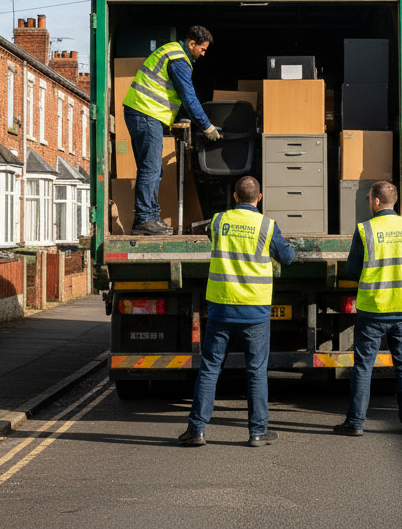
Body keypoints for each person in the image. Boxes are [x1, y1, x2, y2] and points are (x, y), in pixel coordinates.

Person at [179, 176, 295, 448]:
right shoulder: (267, 226)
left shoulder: (219, 221)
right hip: (254, 311)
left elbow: (210, 235)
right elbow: (287, 257)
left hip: (221, 307)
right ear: (260, 198)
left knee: (209, 369)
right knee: (256, 372)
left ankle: (196, 430)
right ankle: (257, 432)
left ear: (234, 196)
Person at [334, 181, 402, 437]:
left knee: (364, 367)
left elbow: (352, 270)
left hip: (373, 308)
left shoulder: (365, 230)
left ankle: (355, 423)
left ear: (375, 201)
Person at [122, 26, 221, 236]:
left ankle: (149, 217)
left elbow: (172, 92)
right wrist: (207, 126)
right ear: (191, 43)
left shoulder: (172, 52)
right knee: (151, 169)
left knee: (152, 169)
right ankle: (144, 220)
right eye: (202, 49)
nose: (204, 54)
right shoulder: (179, 60)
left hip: (142, 112)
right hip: (146, 113)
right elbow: (188, 96)